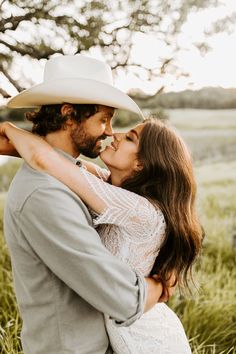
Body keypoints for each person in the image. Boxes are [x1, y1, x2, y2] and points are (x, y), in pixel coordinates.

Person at [1, 55, 174, 354]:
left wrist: (19, 143)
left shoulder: (72, 176)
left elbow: (66, 165)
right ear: (69, 115)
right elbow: (122, 299)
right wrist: (159, 287)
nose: (109, 132)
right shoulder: (45, 194)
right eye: (103, 119)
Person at [0, 114, 203, 352]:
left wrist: (9, 129)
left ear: (140, 164)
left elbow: (45, 159)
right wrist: (15, 147)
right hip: (124, 326)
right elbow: (61, 160)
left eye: (129, 138)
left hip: (146, 338)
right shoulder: (108, 185)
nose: (114, 134)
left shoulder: (139, 210)